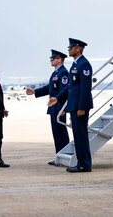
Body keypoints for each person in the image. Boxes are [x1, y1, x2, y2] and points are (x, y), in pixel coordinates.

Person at [51, 38, 93, 173]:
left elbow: (85, 88)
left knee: (81, 135)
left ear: (79, 49)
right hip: (73, 105)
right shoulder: (75, 65)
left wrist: (81, 107)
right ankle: (81, 162)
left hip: (80, 107)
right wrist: (58, 98)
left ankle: (84, 164)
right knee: (77, 135)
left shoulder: (84, 64)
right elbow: (70, 87)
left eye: (71, 48)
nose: (69, 49)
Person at [26, 49, 70, 165]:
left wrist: (63, 109)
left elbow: (65, 92)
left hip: (59, 107)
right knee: (56, 133)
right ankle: (59, 157)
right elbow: (49, 88)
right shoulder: (56, 72)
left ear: (60, 59)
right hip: (53, 107)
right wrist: (35, 92)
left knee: (61, 133)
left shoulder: (63, 73)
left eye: (53, 58)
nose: (51, 60)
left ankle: (64, 156)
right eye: (51, 58)